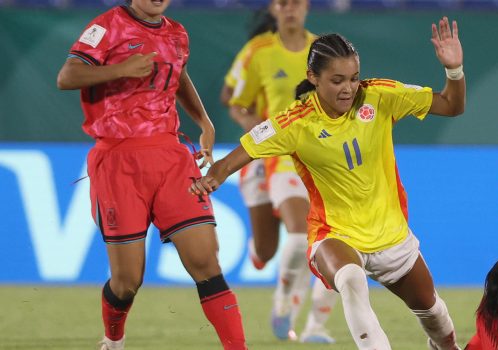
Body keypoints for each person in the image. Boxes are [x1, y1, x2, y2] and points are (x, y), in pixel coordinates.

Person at [190, 17, 465, 350]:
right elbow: (243, 151)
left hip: (390, 235)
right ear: (313, 78)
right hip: (333, 234)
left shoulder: (379, 96)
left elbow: (452, 106)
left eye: (353, 78)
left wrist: (454, 70)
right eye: (336, 80)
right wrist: (212, 177)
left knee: (436, 318)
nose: (348, 88)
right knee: (350, 279)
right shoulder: (296, 120)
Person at [56, 1, 247, 349]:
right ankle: (113, 339)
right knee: (127, 281)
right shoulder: (107, 26)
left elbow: (179, 75)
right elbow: (67, 76)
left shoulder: (177, 33)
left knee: (206, 261)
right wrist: (120, 69)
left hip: (170, 156)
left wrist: (204, 121)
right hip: (117, 160)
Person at [222, 0, 339, 343]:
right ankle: (277, 290)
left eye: (296, 3)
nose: (290, 9)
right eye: (283, 3)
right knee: (282, 243)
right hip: (280, 156)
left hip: (321, 158)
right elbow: (234, 99)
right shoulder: (258, 51)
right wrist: (256, 132)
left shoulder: (324, 50)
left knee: (329, 239)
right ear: (274, 9)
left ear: (307, 7)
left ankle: (308, 321)